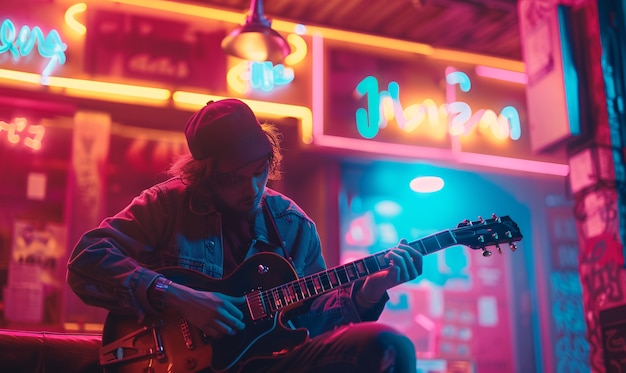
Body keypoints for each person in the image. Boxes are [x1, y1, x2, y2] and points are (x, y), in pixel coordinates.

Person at [67, 98, 423, 373]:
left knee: (386, 345)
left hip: (266, 364)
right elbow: (87, 260)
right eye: (233, 178)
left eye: (259, 170)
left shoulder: (292, 224)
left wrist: (369, 290)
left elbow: (311, 321)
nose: (252, 187)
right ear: (205, 176)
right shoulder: (166, 204)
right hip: (174, 361)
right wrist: (181, 297)